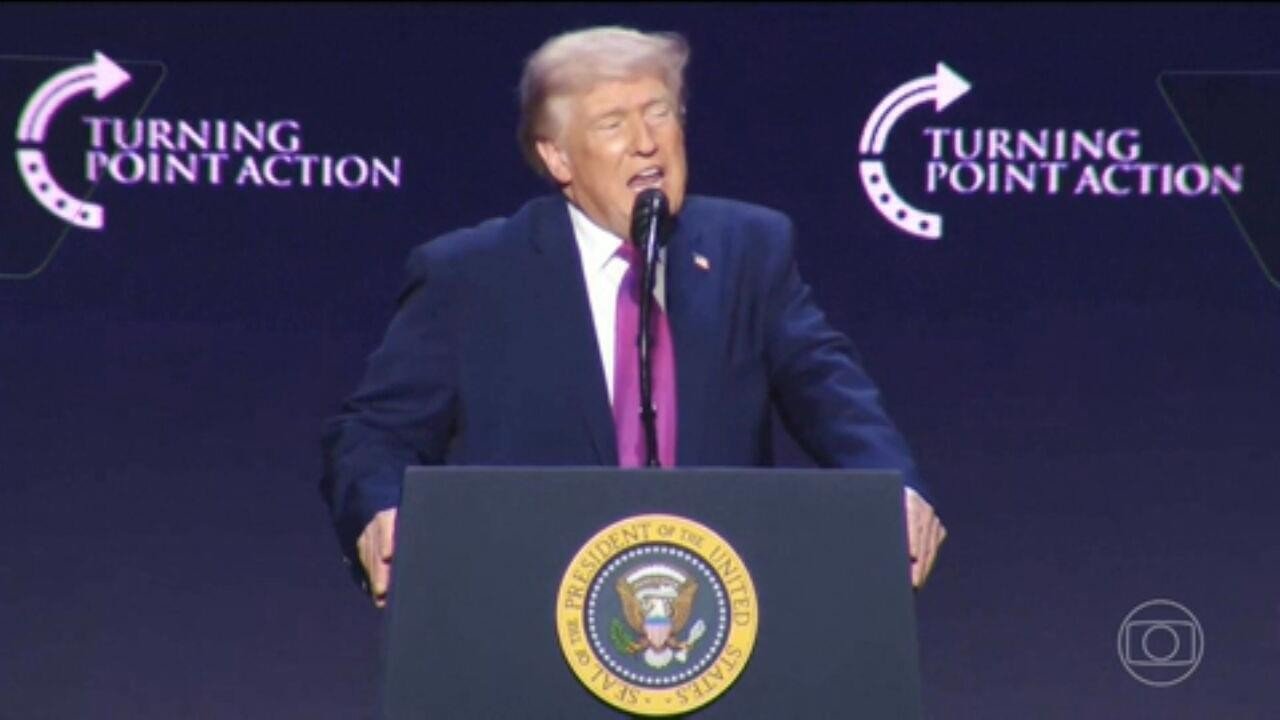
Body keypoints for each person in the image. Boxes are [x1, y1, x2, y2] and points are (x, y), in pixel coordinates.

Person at [320, 26, 946, 608]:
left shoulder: (748, 250)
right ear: (558, 158)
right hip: (526, 608)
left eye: (659, 113)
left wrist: (895, 490)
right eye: (613, 123)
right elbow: (376, 432)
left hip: (716, 615)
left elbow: (829, 392)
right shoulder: (472, 274)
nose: (646, 142)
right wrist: (382, 511)